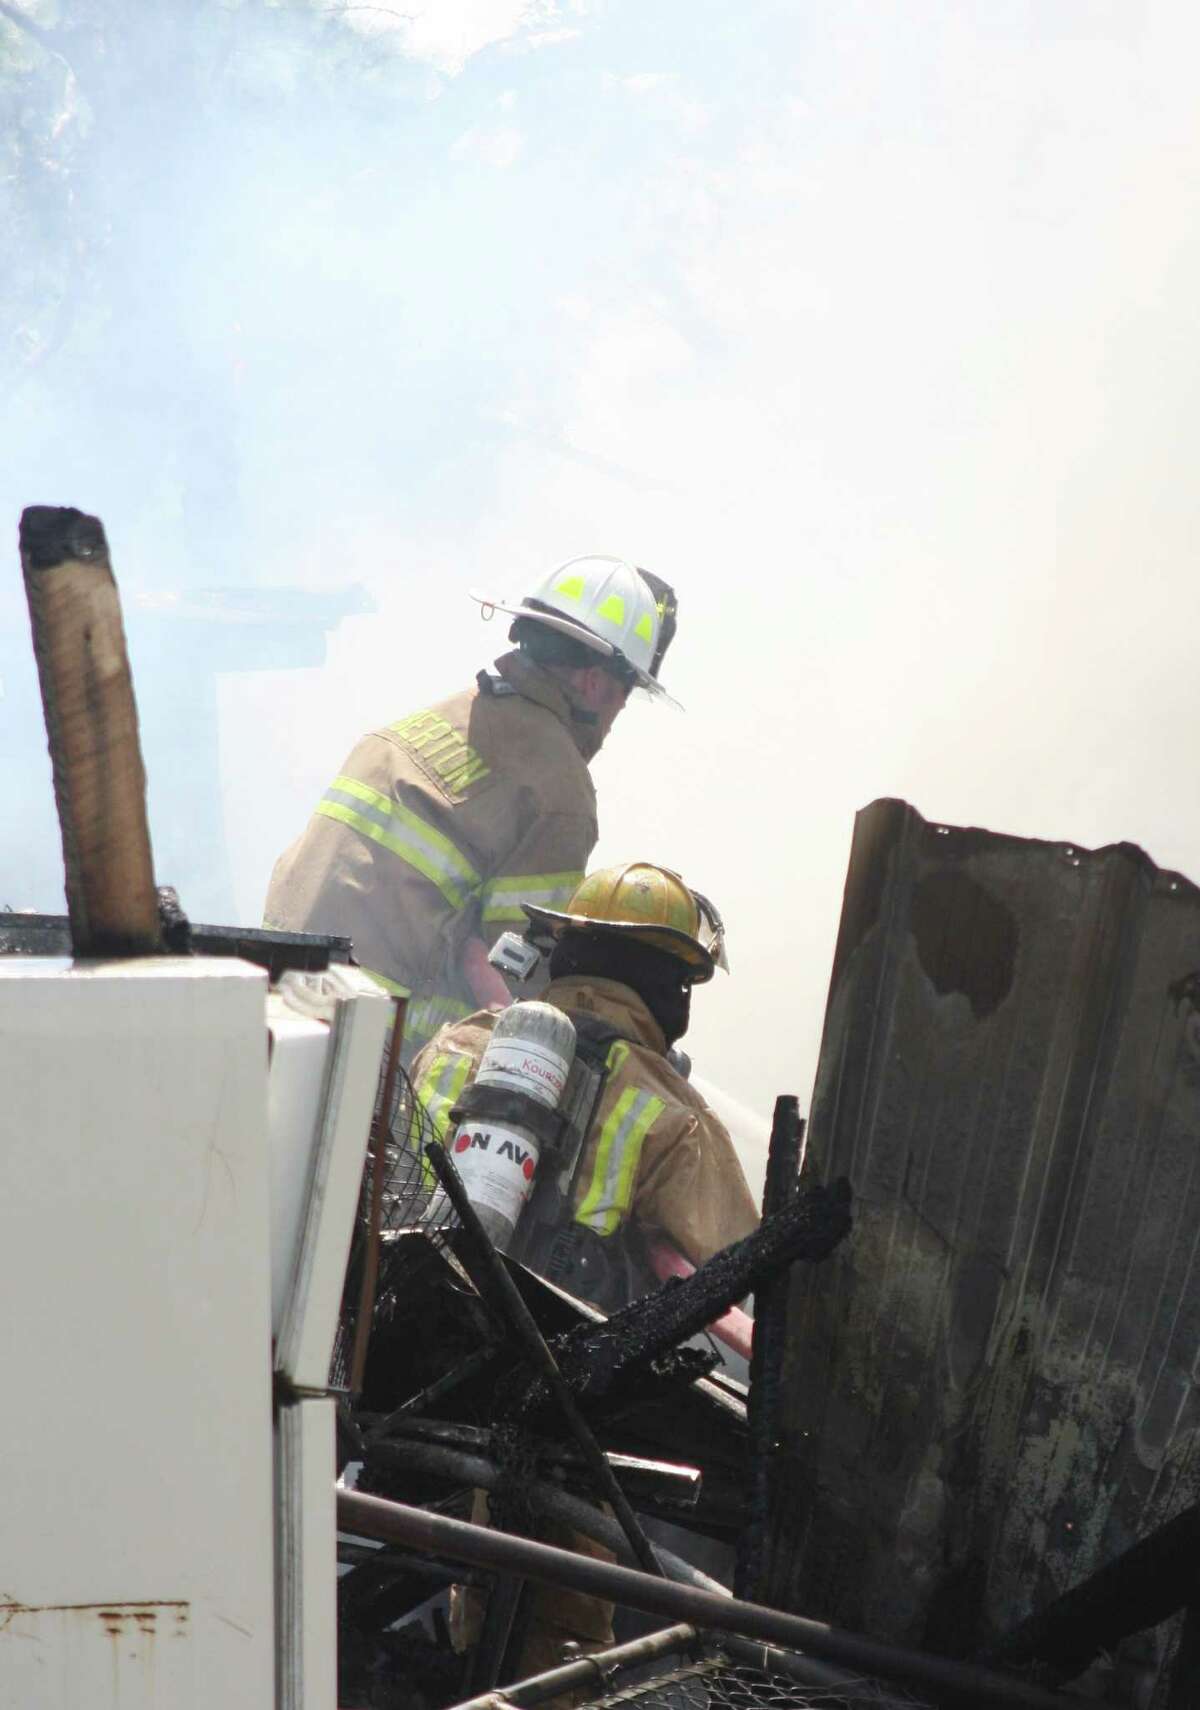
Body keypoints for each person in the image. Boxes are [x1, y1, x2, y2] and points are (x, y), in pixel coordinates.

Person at [407, 861, 760, 1683]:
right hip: (561, 1401)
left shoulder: (459, 1046)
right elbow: (740, 1257)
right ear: (668, 989)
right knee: (557, 1635)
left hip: (415, 1361)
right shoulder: (668, 1111)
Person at [263, 557, 677, 1061]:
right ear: (593, 684)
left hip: (273, 1006)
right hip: (377, 1051)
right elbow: (514, 981)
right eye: (621, 702)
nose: (612, 724)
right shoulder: (559, 792)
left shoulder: (428, 723)